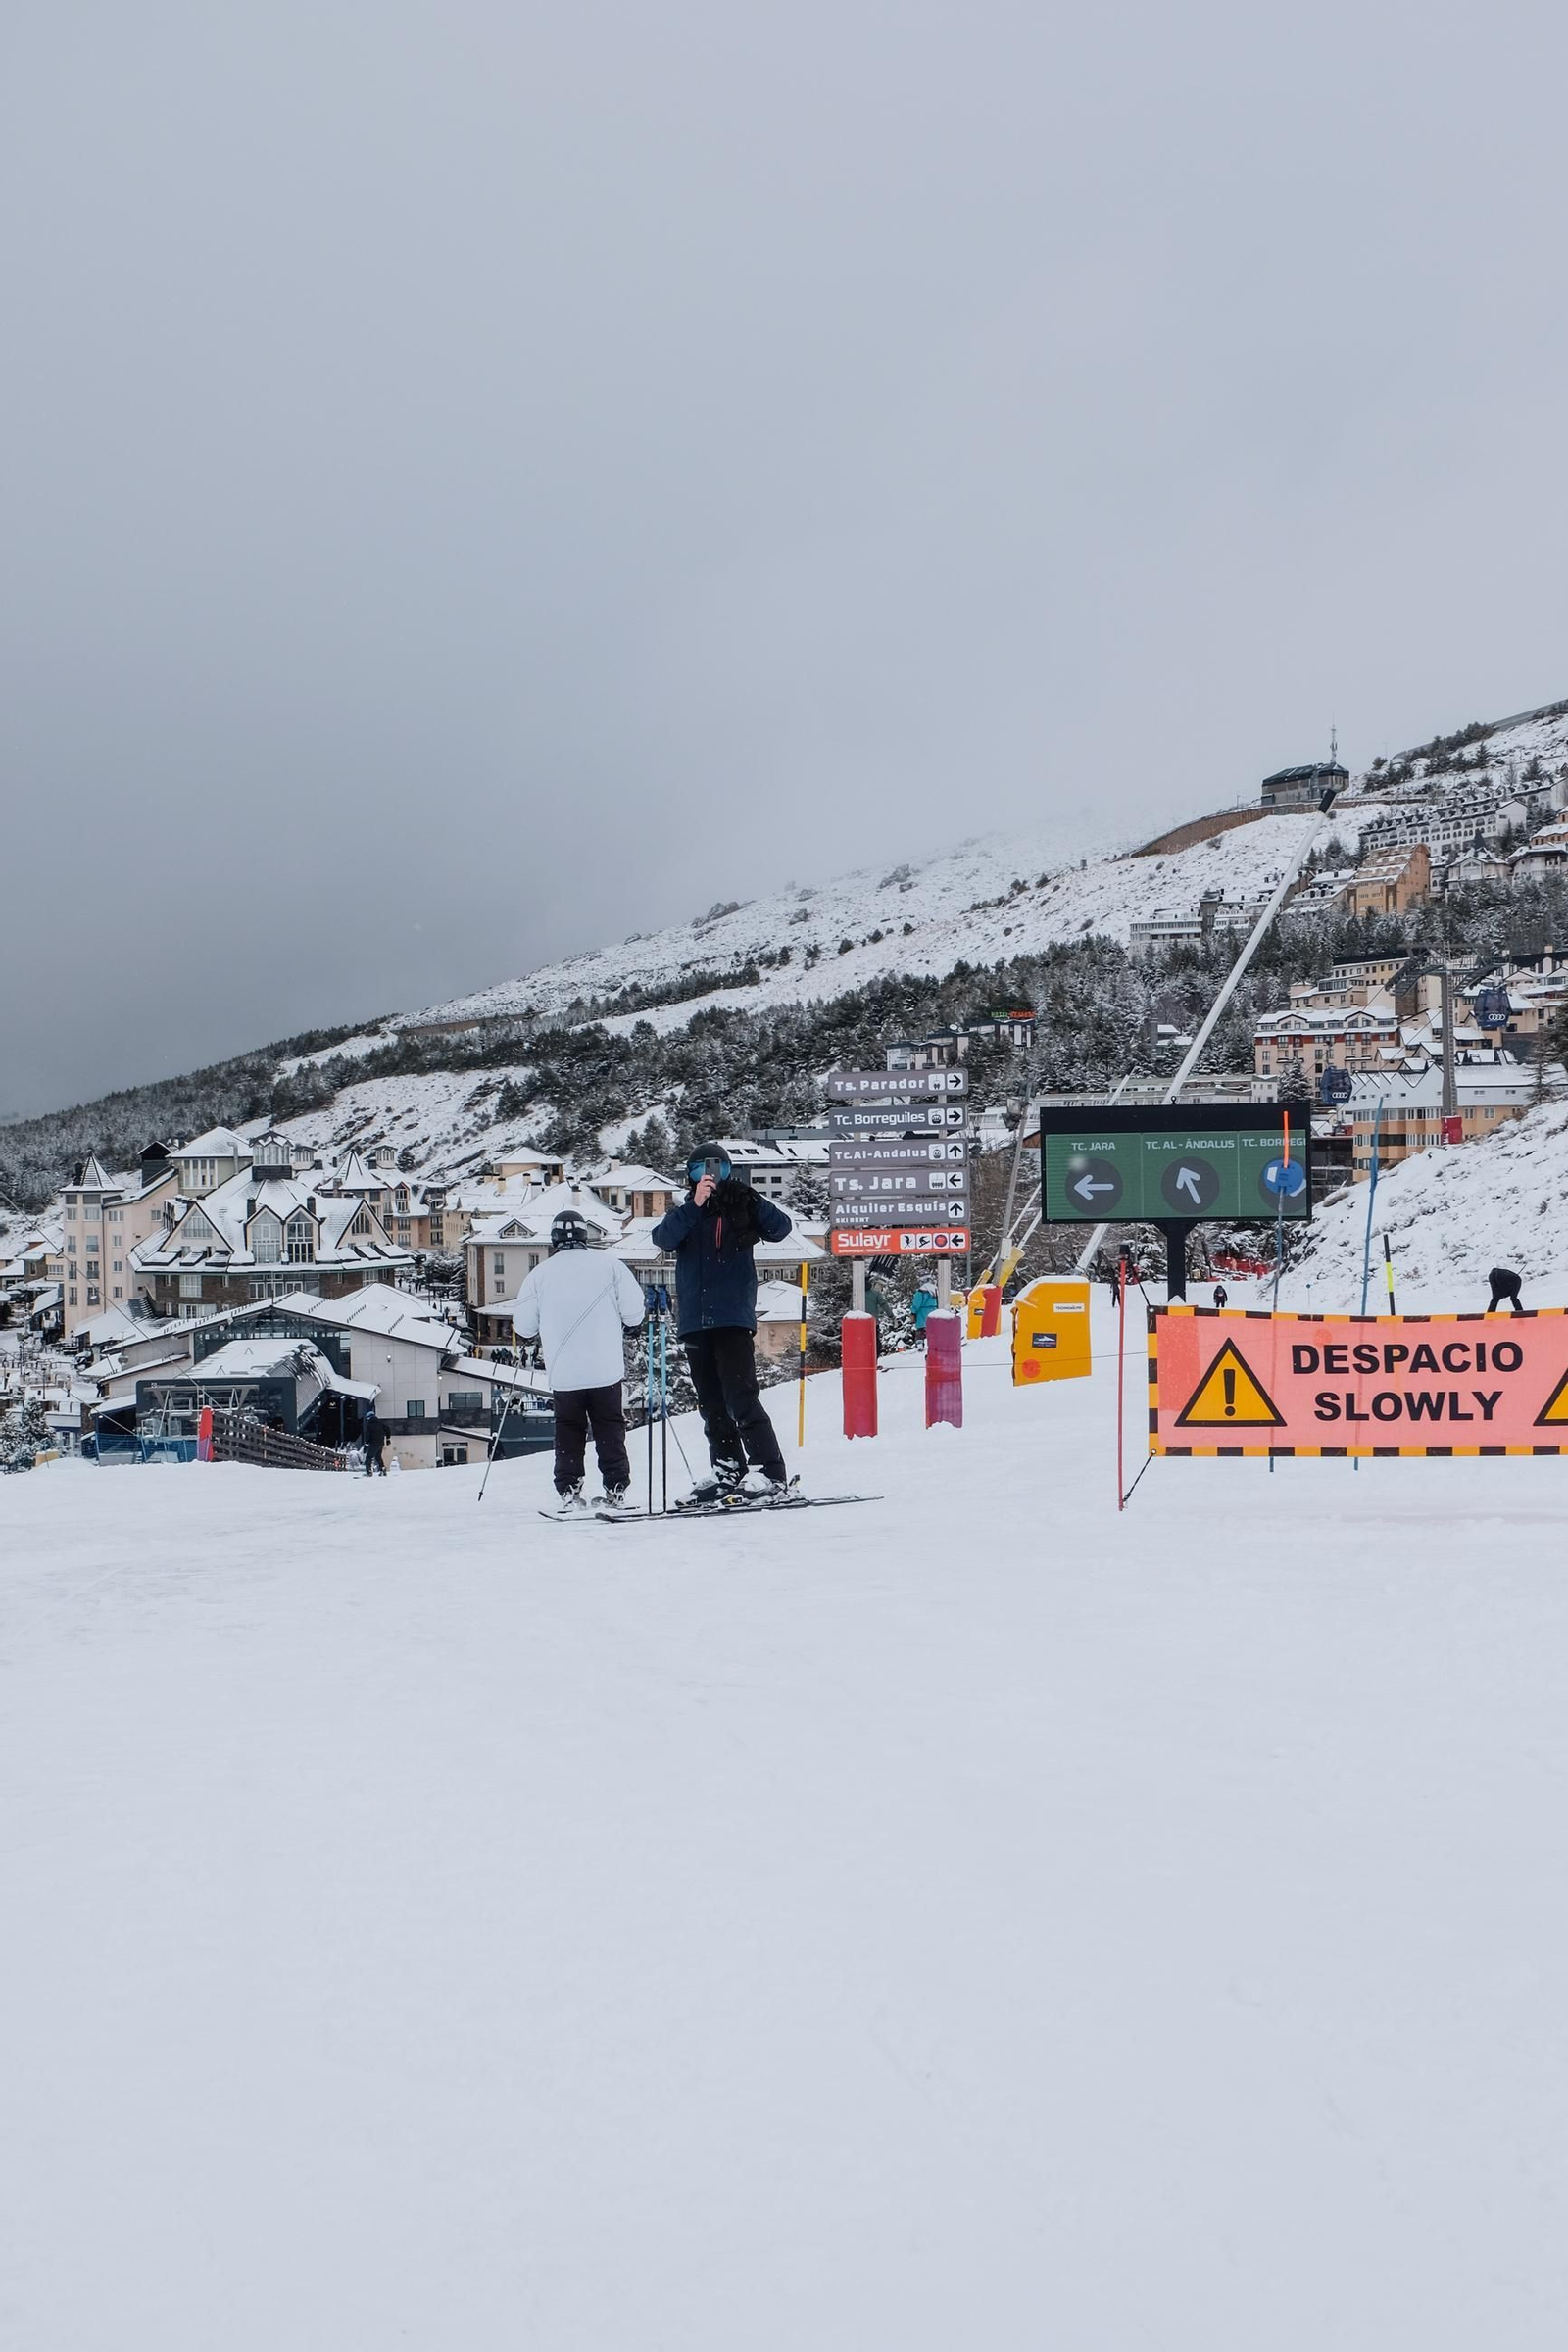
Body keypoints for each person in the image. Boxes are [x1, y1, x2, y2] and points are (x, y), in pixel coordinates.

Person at [652, 1143, 794, 1500]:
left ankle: (769, 1470)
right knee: (711, 1404)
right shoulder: (686, 1214)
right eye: (699, 1170)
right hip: (695, 1321)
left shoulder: (741, 1206)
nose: (710, 1176)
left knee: (741, 1398)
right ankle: (728, 1469)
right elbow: (663, 1239)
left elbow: (780, 1228)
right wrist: (695, 1205)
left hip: (732, 1317)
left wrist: (753, 1199)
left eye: (718, 1169)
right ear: (690, 1176)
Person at [512, 1208, 647, 1515]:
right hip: (605, 1369)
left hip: (565, 1373)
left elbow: (524, 1327)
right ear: (585, 1236)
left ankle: (569, 1490)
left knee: (569, 1431)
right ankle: (616, 1488)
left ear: (554, 1239)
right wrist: (629, 1324)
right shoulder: (610, 1265)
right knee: (610, 1428)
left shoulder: (539, 1275)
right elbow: (634, 1312)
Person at [362, 1409, 388, 1476]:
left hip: (373, 1443)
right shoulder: (381, 1423)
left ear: (369, 1418)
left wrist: (366, 1444)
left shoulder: (370, 1425)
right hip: (381, 1443)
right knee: (378, 1457)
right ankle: (382, 1469)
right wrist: (388, 1438)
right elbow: (387, 1429)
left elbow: (368, 1435)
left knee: (369, 1457)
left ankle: (369, 1471)